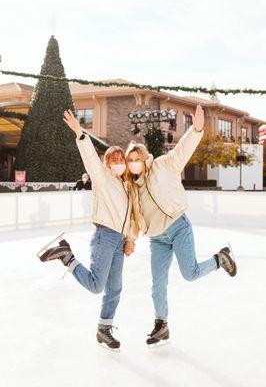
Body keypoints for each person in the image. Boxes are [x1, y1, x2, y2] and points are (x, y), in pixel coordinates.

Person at [125, 105, 237, 346]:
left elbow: (182, 150)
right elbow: (131, 217)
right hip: (157, 238)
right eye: (130, 160)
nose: (134, 163)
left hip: (178, 226)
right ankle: (161, 325)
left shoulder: (163, 166)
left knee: (190, 273)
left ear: (145, 158)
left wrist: (196, 130)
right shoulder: (132, 188)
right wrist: (130, 239)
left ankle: (221, 259)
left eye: (137, 159)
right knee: (157, 284)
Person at [37, 110, 135, 350]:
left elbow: (131, 217)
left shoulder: (126, 187)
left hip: (119, 242)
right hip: (104, 237)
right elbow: (90, 157)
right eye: (115, 160)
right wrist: (80, 133)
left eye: (122, 160)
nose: (120, 164)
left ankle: (104, 329)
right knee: (96, 286)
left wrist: (130, 239)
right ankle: (67, 257)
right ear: (107, 164)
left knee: (115, 288)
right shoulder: (102, 178)